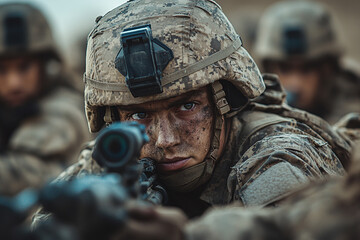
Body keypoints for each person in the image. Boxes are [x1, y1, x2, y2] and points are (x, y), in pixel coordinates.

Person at [32, 0, 352, 238]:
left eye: (186, 107)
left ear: (225, 99)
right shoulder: (115, 163)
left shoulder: (277, 155)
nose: (165, 139)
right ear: (113, 120)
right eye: (140, 115)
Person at [0, 2, 89, 196]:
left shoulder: (64, 109)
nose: (14, 83)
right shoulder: (10, 110)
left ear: (45, 64)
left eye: (24, 67)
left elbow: (24, 173)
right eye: (2, 70)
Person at [253, 0, 360, 124]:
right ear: (269, 69)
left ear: (327, 70)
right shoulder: (256, 106)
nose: (295, 84)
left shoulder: (352, 110)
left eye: (307, 69)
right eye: (285, 69)